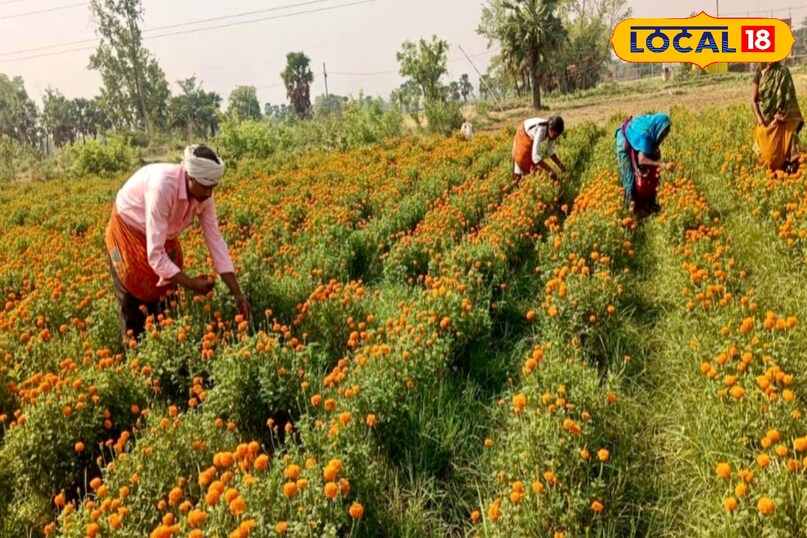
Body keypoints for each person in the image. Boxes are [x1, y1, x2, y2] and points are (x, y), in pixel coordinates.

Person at [104, 144, 252, 343]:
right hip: (128, 232)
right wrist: (191, 284)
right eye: (206, 186)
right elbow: (155, 255)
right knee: (133, 298)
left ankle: (166, 345)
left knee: (167, 299)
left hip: (162, 235)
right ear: (190, 177)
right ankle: (136, 356)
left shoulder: (204, 197)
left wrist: (238, 295)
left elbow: (216, 243)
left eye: (213, 187)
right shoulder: (163, 187)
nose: (209, 194)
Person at [615, 113, 675, 216]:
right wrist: (663, 165)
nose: (663, 138)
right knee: (628, 177)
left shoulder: (652, 124)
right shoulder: (645, 136)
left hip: (633, 134)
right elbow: (642, 160)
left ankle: (647, 202)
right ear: (659, 129)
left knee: (650, 166)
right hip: (623, 139)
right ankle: (632, 211)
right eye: (663, 134)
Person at [752, 62, 804, 173]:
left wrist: (777, 119)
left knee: (792, 157)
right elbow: (753, 101)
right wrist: (761, 122)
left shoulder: (783, 72)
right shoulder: (759, 73)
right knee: (764, 158)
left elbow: (788, 99)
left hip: (781, 123)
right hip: (764, 124)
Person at [512, 116, 566, 183]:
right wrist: (550, 170)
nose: (556, 138)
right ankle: (517, 184)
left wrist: (560, 165)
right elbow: (535, 157)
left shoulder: (550, 131)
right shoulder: (540, 130)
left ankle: (526, 183)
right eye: (555, 135)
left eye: (557, 136)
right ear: (551, 128)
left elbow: (551, 152)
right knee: (522, 160)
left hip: (530, 138)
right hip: (523, 134)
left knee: (532, 168)